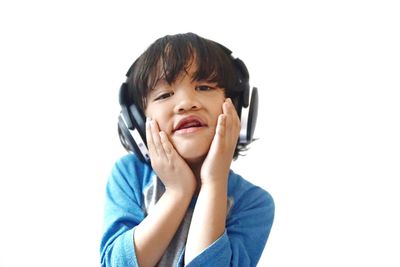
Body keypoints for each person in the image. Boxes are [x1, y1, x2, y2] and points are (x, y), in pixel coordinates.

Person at [100, 32, 274, 267]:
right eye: (164, 95)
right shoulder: (130, 175)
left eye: (204, 87)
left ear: (236, 108)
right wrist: (177, 192)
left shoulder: (253, 203)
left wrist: (214, 182)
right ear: (138, 123)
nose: (186, 103)